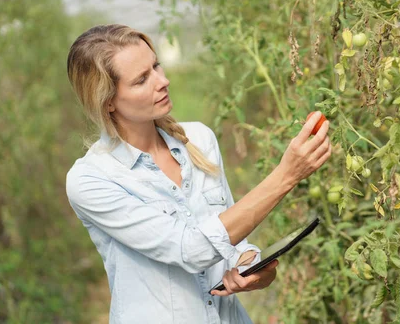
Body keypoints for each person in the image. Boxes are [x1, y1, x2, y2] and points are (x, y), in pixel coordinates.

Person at [65, 24, 332, 324]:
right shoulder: (91, 179)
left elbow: (230, 241)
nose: (163, 81)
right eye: (142, 80)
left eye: (156, 66)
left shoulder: (199, 140)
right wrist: (286, 176)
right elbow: (190, 249)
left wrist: (252, 267)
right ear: (108, 101)